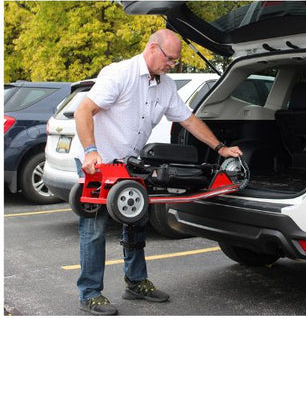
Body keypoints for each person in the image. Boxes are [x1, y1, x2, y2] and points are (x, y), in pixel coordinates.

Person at [74, 29, 242, 315]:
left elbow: (188, 120)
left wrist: (220, 148)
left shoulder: (166, 86)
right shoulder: (120, 74)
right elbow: (83, 111)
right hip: (99, 162)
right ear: (153, 48)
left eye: (175, 62)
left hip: (132, 164)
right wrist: (91, 150)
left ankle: (136, 283)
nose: (172, 65)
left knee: (137, 221)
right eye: (171, 59)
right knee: (94, 228)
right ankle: (90, 293)